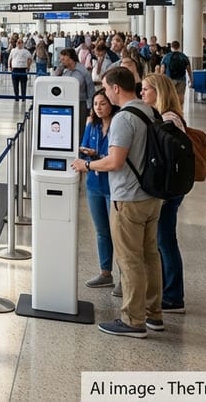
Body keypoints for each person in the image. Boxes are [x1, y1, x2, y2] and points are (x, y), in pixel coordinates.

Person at [71, 67, 163, 338]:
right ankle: (153, 313)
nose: (106, 94)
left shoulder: (124, 118)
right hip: (150, 195)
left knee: (130, 259)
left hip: (128, 198)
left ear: (116, 89)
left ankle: (133, 321)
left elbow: (115, 161)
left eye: (107, 89)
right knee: (149, 256)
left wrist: (86, 164)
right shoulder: (148, 110)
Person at [140, 73, 188, 315]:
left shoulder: (168, 119)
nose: (142, 94)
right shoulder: (166, 117)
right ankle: (166, 290)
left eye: (146, 90)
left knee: (165, 240)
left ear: (158, 92)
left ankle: (173, 295)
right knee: (162, 240)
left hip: (169, 190)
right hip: (170, 188)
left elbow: (166, 159)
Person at [80, 90, 116, 291]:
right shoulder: (91, 126)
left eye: (102, 103)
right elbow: (83, 148)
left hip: (113, 185)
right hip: (94, 185)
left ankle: (125, 277)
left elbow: (116, 157)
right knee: (102, 231)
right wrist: (89, 154)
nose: (99, 107)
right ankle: (105, 272)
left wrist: (97, 156)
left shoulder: (118, 125)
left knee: (118, 233)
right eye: (95, 104)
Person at [54, 47, 95, 127]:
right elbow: (55, 80)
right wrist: (59, 71)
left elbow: (90, 89)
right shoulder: (64, 70)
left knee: (79, 127)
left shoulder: (83, 71)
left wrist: (90, 107)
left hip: (80, 103)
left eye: (63, 59)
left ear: (70, 59)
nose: (61, 62)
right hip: (66, 101)